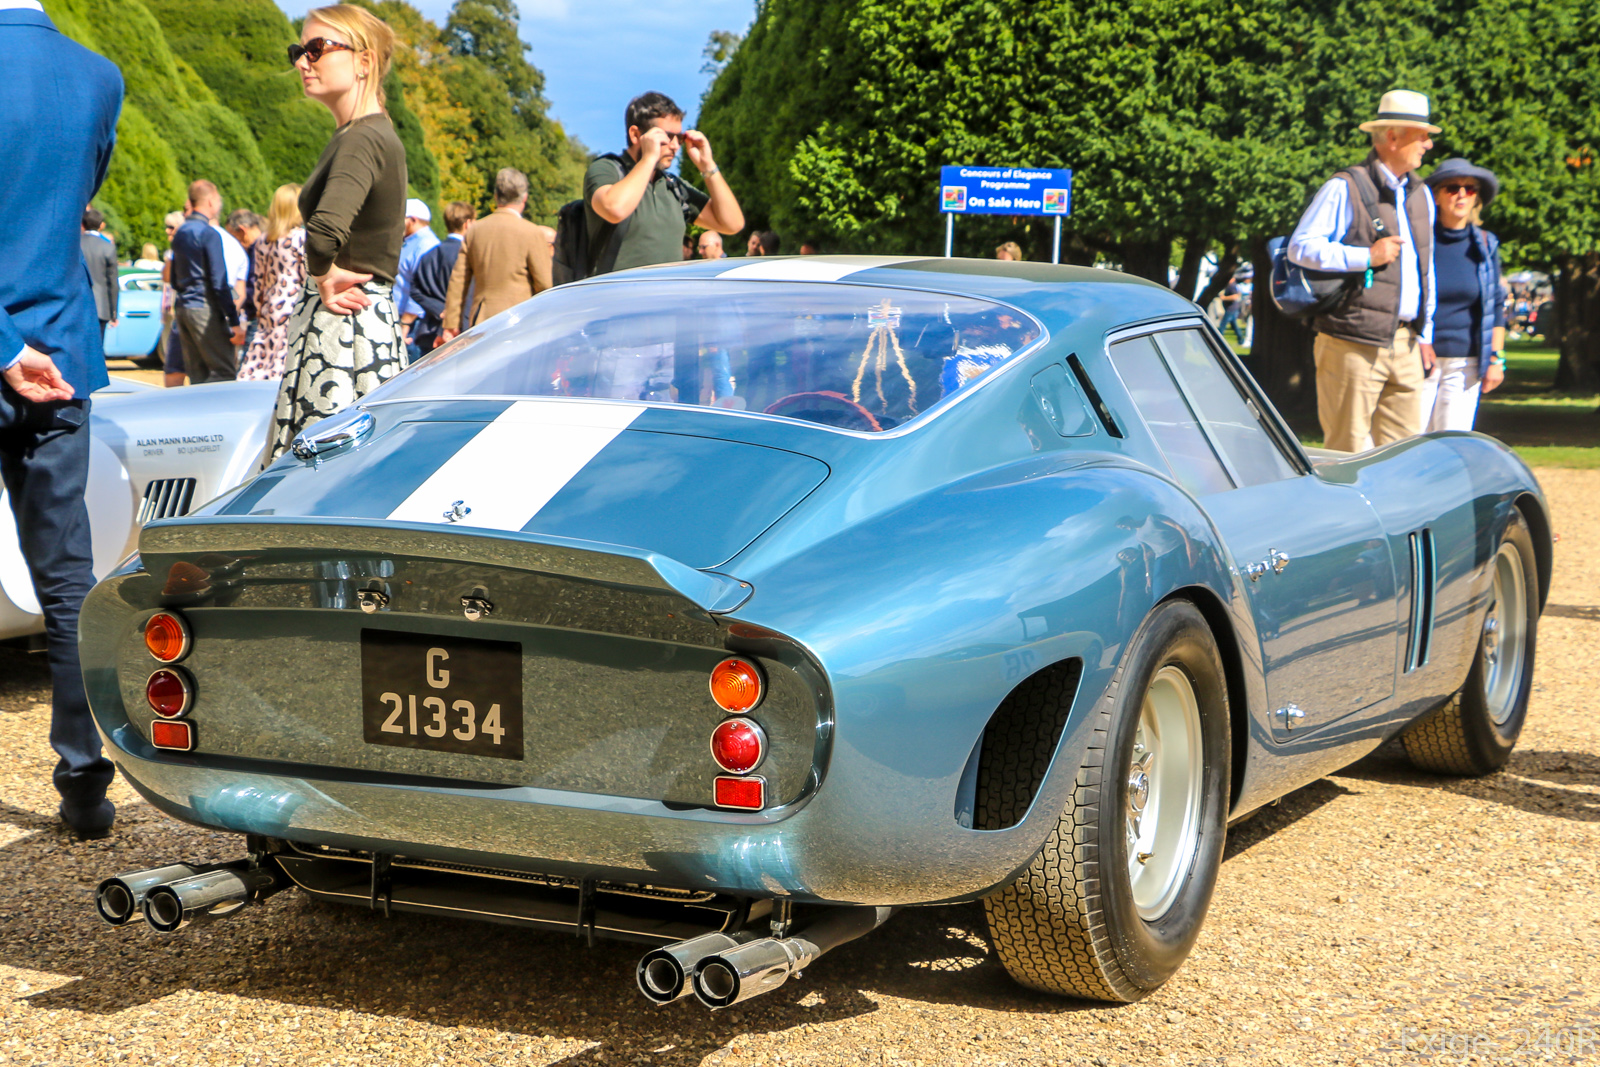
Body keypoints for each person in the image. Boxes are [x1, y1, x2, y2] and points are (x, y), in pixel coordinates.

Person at [0, 0, 123, 838]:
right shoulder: (98, 77)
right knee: (69, 579)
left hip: (18, 346)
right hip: (61, 348)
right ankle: (83, 785)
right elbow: (73, 201)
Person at [268, 4, 407, 461]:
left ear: (364, 61)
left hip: (344, 333)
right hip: (357, 325)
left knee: (319, 484)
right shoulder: (364, 132)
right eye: (298, 50)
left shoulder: (362, 137)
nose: (301, 62)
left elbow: (325, 230)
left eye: (316, 49)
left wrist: (323, 273)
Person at [1289, 89, 1439, 453]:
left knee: (1405, 459)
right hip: (1350, 344)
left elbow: (1426, 268)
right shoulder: (1344, 186)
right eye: (1422, 136)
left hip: (1405, 344)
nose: (1428, 145)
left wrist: (1425, 333)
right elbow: (1301, 246)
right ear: (1392, 137)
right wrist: (1365, 257)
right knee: (1346, 453)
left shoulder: (1421, 195)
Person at [583, 91, 744, 275]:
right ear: (636, 135)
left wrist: (708, 166)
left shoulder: (673, 186)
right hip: (616, 301)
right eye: (666, 136)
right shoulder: (606, 170)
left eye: (679, 137)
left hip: (666, 301)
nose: (675, 145)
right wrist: (649, 158)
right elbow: (614, 209)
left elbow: (733, 224)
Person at [1417, 159, 1506, 432]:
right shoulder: (1420, 241)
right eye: (1452, 188)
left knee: (1450, 444)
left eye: (1470, 189)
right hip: (1419, 359)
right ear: (1436, 195)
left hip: (1464, 363)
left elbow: (1497, 306)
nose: (1461, 195)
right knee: (1406, 443)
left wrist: (1496, 359)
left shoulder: (1485, 244)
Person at [439, 169, 550, 342]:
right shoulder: (532, 232)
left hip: (481, 321)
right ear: (525, 197)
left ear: (496, 196)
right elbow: (544, 284)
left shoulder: (475, 230)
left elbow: (458, 281)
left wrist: (451, 323)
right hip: (521, 321)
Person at [170, 179, 245, 383]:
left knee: (197, 374)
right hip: (205, 308)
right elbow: (219, 282)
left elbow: (174, 279)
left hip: (184, 307)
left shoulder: (180, 232)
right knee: (224, 371)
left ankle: (198, 413)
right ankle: (221, 415)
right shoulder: (209, 233)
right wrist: (233, 320)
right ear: (211, 201)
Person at [238, 184, 307, 381]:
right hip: (293, 306)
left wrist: (260, 307)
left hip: (268, 306)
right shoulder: (300, 238)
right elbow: (306, 277)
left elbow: (258, 280)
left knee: (262, 358)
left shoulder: (262, 240)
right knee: (283, 363)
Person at [408, 200, 473, 353]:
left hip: (429, 331)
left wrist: (438, 309)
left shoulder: (430, 254)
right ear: (468, 223)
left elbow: (415, 289)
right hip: (461, 331)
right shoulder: (468, 256)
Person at [393, 197, 438, 363]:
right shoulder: (411, 242)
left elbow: (422, 286)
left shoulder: (425, 245)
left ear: (413, 220)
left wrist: (405, 323)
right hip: (405, 320)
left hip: (412, 324)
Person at [226, 208, 264, 350]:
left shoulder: (259, 249)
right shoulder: (262, 246)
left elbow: (250, 288)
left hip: (259, 320)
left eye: (233, 237)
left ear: (242, 230)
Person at [79, 208, 118, 344]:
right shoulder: (108, 247)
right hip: (101, 306)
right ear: (101, 225)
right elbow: (112, 282)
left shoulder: (75, 244)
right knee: (97, 347)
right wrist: (114, 310)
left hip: (77, 304)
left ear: (83, 223)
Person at [159, 210, 187, 387]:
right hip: (175, 308)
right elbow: (166, 277)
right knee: (174, 361)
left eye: (171, 227)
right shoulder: (174, 250)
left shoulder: (184, 247)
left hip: (188, 310)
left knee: (176, 363)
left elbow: (167, 276)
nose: (167, 231)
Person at [1218, 272, 1244, 344]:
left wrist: (1224, 298)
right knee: (1234, 324)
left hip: (1231, 308)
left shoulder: (1232, 286)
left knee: (1223, 324)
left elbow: (1235, 296)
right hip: (1232, 308)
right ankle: (1241, 339)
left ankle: (1218, 339)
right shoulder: (1230, 285)